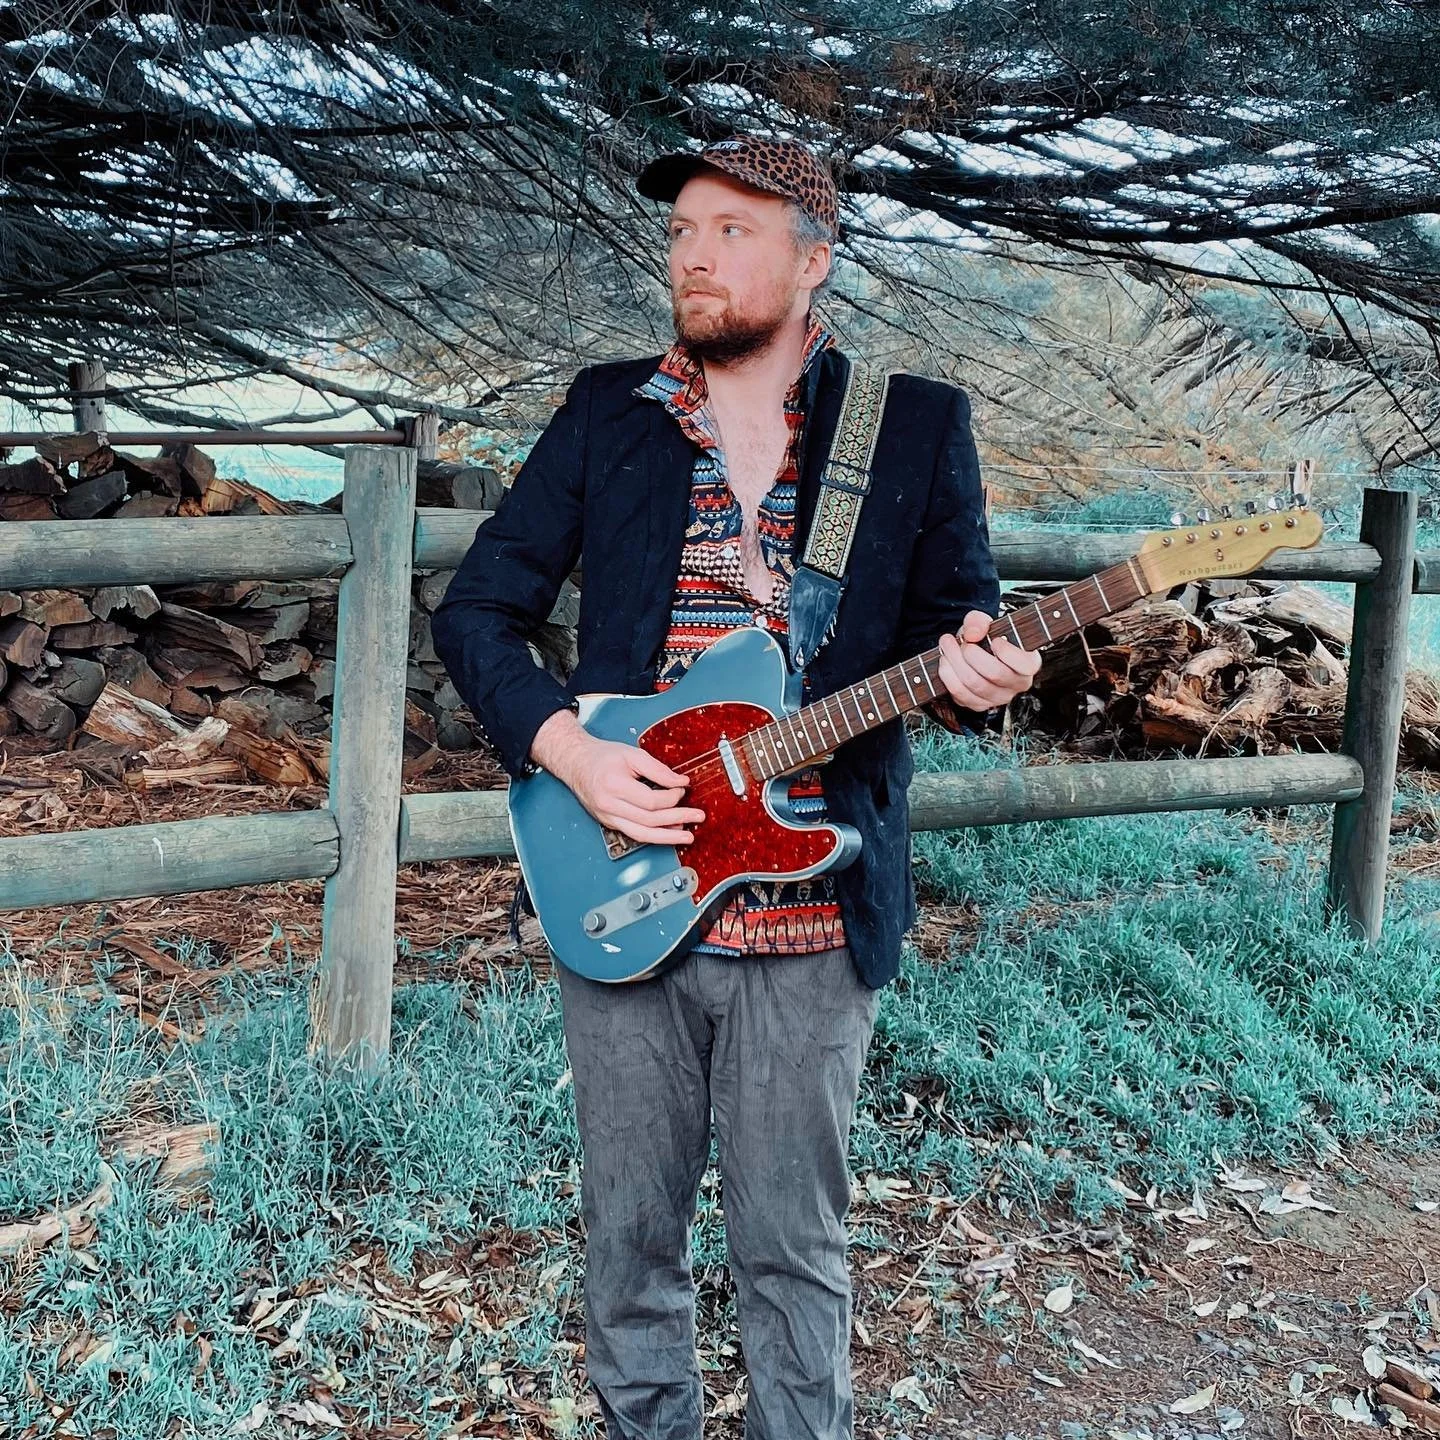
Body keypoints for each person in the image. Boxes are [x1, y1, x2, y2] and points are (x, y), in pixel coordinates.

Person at [431, 135, 1040, 1440]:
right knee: (629, 1243)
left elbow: (961, 615)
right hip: (621, 880)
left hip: (811, 913)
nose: (695, 256)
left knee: (791, 1249)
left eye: (733, 231)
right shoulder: (610, 411)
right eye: (682, 233)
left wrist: (981, 664)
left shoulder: (911, 427)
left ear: (813, 262)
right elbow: (481, 608)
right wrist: (571, 746)